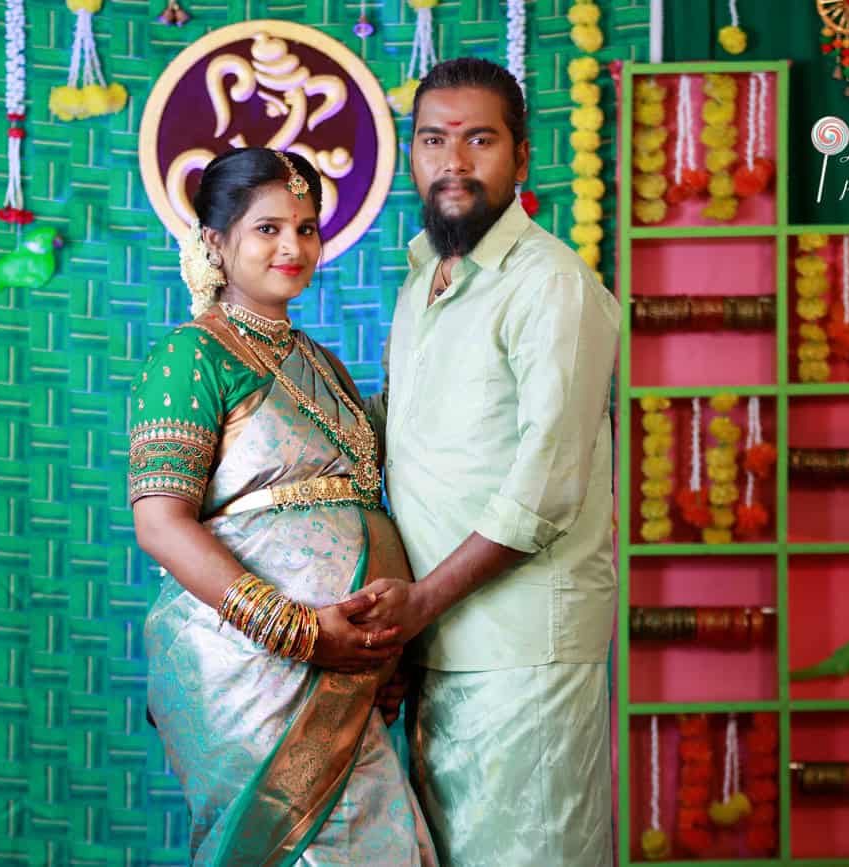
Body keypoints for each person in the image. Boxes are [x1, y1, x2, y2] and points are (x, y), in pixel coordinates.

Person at [129, 147, 436, 866]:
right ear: (215, 241)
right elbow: (159, 522)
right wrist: (297, 630)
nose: (293, 246)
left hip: (344, 667)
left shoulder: (320, 361)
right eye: (267, 228)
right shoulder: (190, 358)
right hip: (255, 668)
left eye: (305, 227)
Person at [358, 58, 621, 866]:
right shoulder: (423, 281)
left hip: (521, 655)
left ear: (522, 157)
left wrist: (422, 601)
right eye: (434, 140)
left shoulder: (551, 286)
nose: (455, 163)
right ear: (412, 154)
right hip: (441, 646)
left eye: (480, 140)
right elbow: (411, 450)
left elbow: (546, 488)